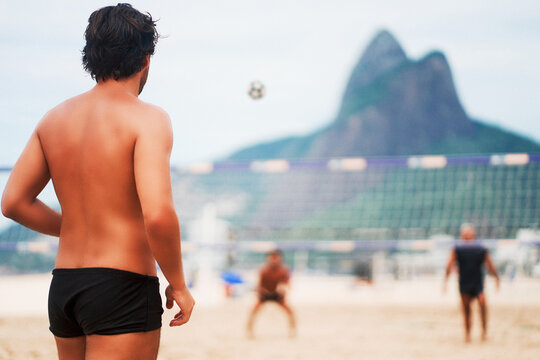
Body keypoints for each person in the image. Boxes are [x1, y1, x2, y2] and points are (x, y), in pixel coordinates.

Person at [1, 4, 194, 359]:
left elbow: (13, 203)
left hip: (65, 288)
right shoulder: (148, 119)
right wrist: (178, 283)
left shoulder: (53, 119)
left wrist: (75, 226)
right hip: (122, 285)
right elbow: (158, 215)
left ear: (91, 57)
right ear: (146, 59)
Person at [443, 223, 499, 342]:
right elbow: (449, 265)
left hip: (477, 282)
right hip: (464, 282)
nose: (467, 234)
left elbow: (490, 265)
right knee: (466, 309)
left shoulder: (480, 249)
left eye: (469, 232)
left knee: (483, 304)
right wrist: (445, 281)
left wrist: (497, 278)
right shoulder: (457, 249)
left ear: (473, 234)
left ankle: (484, 333)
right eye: (465, 232)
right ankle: (467, 335)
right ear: (462, 235)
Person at [246, 249, 296, 338]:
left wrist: (283, 289)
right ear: (268, 259)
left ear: (280, 259)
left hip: (278, 295)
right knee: (253, 311)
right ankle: (249, 331)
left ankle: (292, 331)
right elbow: (259, 285)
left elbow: (288, 284)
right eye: (272, 258)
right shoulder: (263, 270)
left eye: (276, 258)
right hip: (265, 294)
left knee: (290, 311)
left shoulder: (284, 270)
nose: (274, 260)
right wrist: (260, 292)